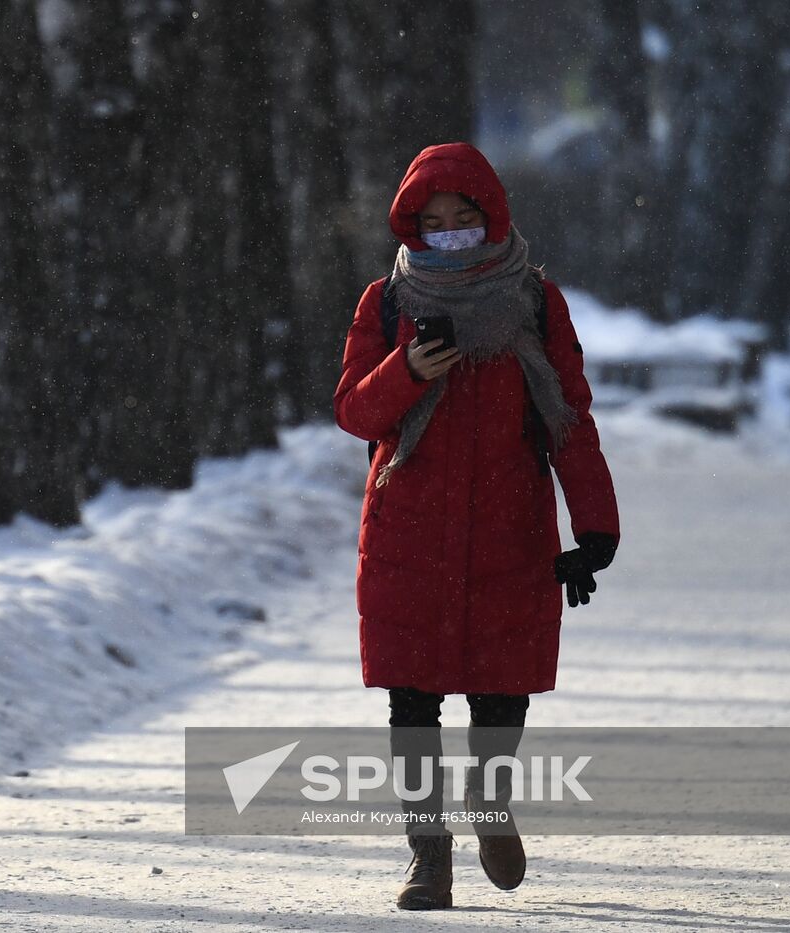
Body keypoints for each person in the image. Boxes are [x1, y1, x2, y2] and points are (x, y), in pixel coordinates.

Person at [332, 142, 621, 911]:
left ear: (491, 217)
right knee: (411, 700)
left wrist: (596, 528)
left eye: (464, 217)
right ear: (412, 226)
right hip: (407, 536)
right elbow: (354, 410)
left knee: (501, 691)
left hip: (509, 529)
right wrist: (409, 370)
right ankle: (428, 857)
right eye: (434, 221)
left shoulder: (535, 301)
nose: (451, 231)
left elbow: (570, 419)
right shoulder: (385, 302)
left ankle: (489, 803)